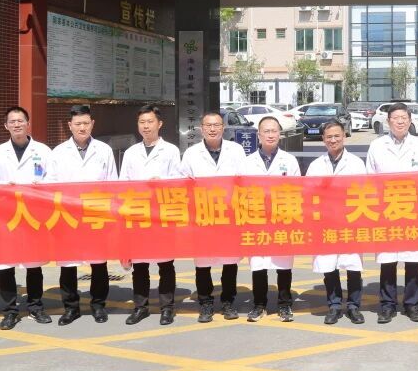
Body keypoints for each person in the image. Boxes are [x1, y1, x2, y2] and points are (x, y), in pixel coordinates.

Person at [0, 106, 53, 330]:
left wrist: (41, 186)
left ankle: (36, 307)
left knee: (34, 264)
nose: (17, 124)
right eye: (12, 121)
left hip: (33, 214)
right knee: (6, 264)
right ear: (6, 126)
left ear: (28, 124)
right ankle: (10, 311)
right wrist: (5, 186)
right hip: (6, 215)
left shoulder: (43, 150)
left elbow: (54, 179)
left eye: (20, 120)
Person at [47, 105, 118, 325]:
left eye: (86, 123)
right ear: (70, 125)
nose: (82, 127)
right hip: (68, 215)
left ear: (92, 124)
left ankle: (98, 305)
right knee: (68, 264)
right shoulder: (58, 152)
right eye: (77, 124)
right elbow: (51, 184)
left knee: (98, 263)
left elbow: (112, 182)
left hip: (96, 214)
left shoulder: (104, 150)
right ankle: (71, 308)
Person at [367, 102, 418, 323]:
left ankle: (412, 305)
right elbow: (370, 178)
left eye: (404, 117)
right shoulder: (377, 146)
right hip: (387, 210)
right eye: (396, 118)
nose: (400, 121)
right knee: (388, 261)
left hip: (413, 211)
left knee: (413, 260)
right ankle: (387, 305)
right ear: (388, 122)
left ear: (410, 120)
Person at [180, 112, 247, 323]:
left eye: (216, 125)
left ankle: (228, 301)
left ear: (223, 128)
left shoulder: (236, 150)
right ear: (201, 128)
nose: (212, 129)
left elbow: (244, 180)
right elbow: (182, 183)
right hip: (202, 215)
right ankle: (205, 303)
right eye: (208, 125)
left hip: (229, 214)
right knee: (202, 262)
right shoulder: (191, 153)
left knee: (230, 261)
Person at [120, 104, 183, 325]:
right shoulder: (131, 152)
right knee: (140, 265)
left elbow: (178, 181)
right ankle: (140, 307)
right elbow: (123, 184)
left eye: (150, 122)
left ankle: (167, 307)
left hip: (161, 214)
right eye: (142, 122)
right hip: (138, 214)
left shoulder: (171, 150)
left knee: (165, 264)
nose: (146, 126)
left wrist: (162, 183)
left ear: (159, 124)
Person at [240, 116, 301, 322]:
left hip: (282, 219)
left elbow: (298, 191)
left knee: (283, 264)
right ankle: (259, 305)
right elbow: (240, 191)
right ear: (258, 135)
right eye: (266, 131)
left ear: (280, 134)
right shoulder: (247, 162)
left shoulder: (289, 161)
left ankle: (285, 305)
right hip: (256, 220)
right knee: (259, 265)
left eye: (274, 131)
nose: (270, 135)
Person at [307, 122, 368, 325]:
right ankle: (334, 306)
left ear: (344, 137)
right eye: (329, 137)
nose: (333, 140)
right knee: (329, 266)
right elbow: (308, 193)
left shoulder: (356, 163)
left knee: (353, 266)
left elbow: (364, 191)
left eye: (337, 136)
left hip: (350, 221)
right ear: (323, 139)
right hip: (326, 223)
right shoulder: (316, 165)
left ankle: (353, 306)